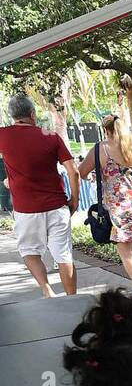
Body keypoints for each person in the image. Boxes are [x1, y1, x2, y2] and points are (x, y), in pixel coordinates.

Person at [0, 94, 78, 297]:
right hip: (57, 205)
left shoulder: (3, 135)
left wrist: (9, 180)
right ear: (33, 114)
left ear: (12, 116)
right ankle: (72, 298)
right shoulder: (50, 136)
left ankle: (47, 290)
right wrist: (75, 199)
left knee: (30, 252)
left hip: (26, 209)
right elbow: (73, 171)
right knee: (63, 255)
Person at [77, 114, 132, 290]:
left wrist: (94, 177)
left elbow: (81, 172)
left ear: (106, 130)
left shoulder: (100, 149)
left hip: (120, 210)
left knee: (128, 255)